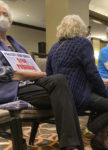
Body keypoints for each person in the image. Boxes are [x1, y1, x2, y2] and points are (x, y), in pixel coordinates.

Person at [0, 1, 84, 150]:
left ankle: (71, 144)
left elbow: (30, 66)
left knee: (59, 79)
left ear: (10, 19)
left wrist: (38, 74)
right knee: (63, 95)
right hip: (10, 89)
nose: (2, 17)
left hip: (30, 84)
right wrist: (23, 75)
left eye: (5, 14)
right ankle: (72, 146)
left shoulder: (16, 44)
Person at [46, 14, 108, 150]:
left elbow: (49, 75)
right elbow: (92, 73)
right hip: (78, 95)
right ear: (80, 28)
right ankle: (86, 135)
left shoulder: (54, 47)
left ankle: (100, 139)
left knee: (102, 102)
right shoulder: (83, 43)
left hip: (59, 99)